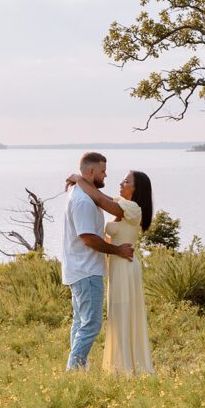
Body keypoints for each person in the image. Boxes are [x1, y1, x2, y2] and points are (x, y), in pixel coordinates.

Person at [66, 168, 155, 375]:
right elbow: (100, 197)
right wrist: (78, 182)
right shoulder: (121, 205)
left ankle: (126, 367)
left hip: (125, 265)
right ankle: (119, 365)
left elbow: (97, 197)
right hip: (116, 266)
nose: (121, 184)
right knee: (116, 316)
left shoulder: (132, 209)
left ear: (136, 188)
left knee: (123, 314)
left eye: (126, 182)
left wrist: (79, 179)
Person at [62, 152, 134, 371]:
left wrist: (79, 178)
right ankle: (73, 371)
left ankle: (77, 371)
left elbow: (104, 200)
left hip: (78, 269)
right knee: (91, 326)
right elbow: (88, 238)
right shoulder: (83, 201)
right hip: (86, 271)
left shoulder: (82, 193)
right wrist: (116, 250)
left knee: (80, 323)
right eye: (102, 171)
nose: (106, 175)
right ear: (91, 171)